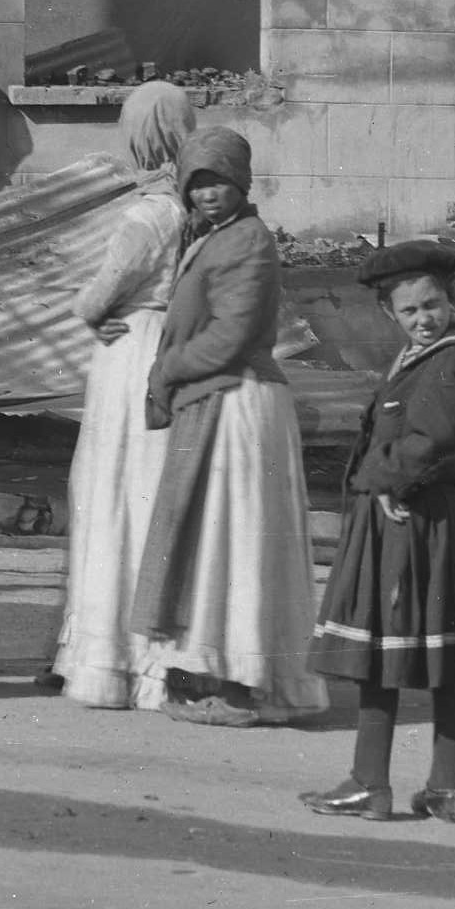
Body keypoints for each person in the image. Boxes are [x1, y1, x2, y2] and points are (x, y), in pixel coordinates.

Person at [307, 239, 455, 821]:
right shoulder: (419, 356)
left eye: (433, 304)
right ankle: (432, 787)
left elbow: (436, 438)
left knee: (390, 649)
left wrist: (388, 483)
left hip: (422, 516)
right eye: (409, 310)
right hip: (408, 513)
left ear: (453, 298)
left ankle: (377, 783)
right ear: (388, 312)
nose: (424, 318)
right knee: (414, 648)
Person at [135, 123, 322, 723]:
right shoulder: (217, 235)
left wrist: (166, 370)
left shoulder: (247, 240)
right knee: (214, 541)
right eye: (196, 184)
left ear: (241, 183)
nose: (207, 193)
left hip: (238, 404)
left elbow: (232, 335)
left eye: (218, 182)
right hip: (216, 398)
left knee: (236, 541)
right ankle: (215, 674)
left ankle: (243, 685)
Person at [49, 81, 202, 708]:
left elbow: (99, 294)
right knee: (149, 494)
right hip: (168, 344)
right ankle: (152, 658)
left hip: (130, 349)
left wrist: (85, 309)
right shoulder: (191, 208)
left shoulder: (149, 214)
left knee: (114, 494)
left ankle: (105, 656)